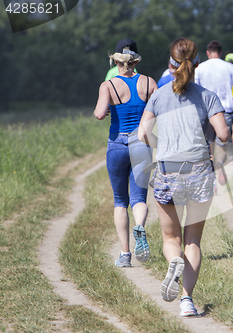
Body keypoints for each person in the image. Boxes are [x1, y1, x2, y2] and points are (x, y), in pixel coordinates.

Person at [138, 37, 229, 317]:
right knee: (193, 240)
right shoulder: (207, 96)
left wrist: (159, 145)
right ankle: (187, 301)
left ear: (170, 64)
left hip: (168, 171)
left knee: (170, 237)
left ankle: (174, 261)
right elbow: (224, 134)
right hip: (200, 171)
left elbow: (143, 133)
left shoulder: (159, 95)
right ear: (197, 64)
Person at [93, 38, 157, 267]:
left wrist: (108, 106)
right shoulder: (149, 83)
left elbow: (100, 114)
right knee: (139, 198)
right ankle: (140, 225)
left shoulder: (108, 85)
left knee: (120, 201)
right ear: (136, 60)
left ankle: (125, 254)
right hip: (141, 144)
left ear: (116, 60)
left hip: (117, 145)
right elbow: (159, 112)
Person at [195, 40, 233, 184]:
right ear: (221, 52)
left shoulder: (200, 68)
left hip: (206, 110)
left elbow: (194, 90)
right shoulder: (230, 67)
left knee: (209, 141)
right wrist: (231, 101)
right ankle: (220, 164)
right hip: (225, 110)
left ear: (208, 52)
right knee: (222, 141)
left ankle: (212, 176)